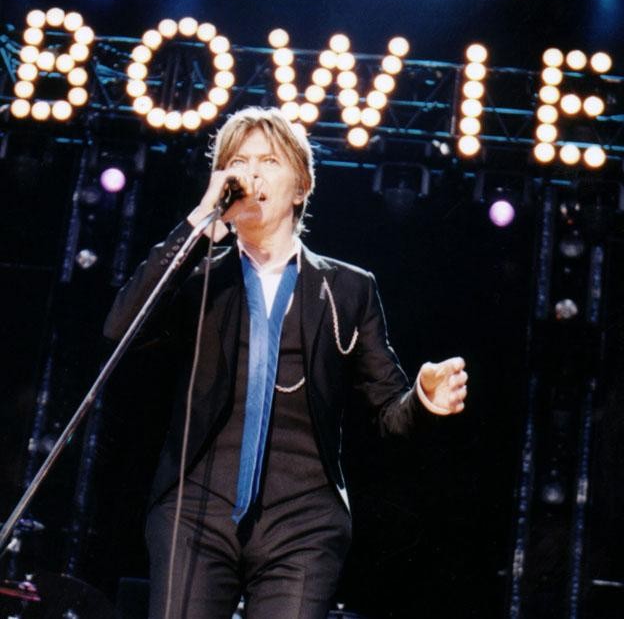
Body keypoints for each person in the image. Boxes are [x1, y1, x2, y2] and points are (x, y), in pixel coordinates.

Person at [104, 106, 468, 619]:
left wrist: (425, 398)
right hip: (196, 511)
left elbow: (389, 410)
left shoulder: (348, 289)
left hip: (303, 521)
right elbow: (121, 327)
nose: (249, 174)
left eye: (268, 161)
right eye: (238, 162)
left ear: (301, 188)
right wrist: (199, 223)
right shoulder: (200, 280)